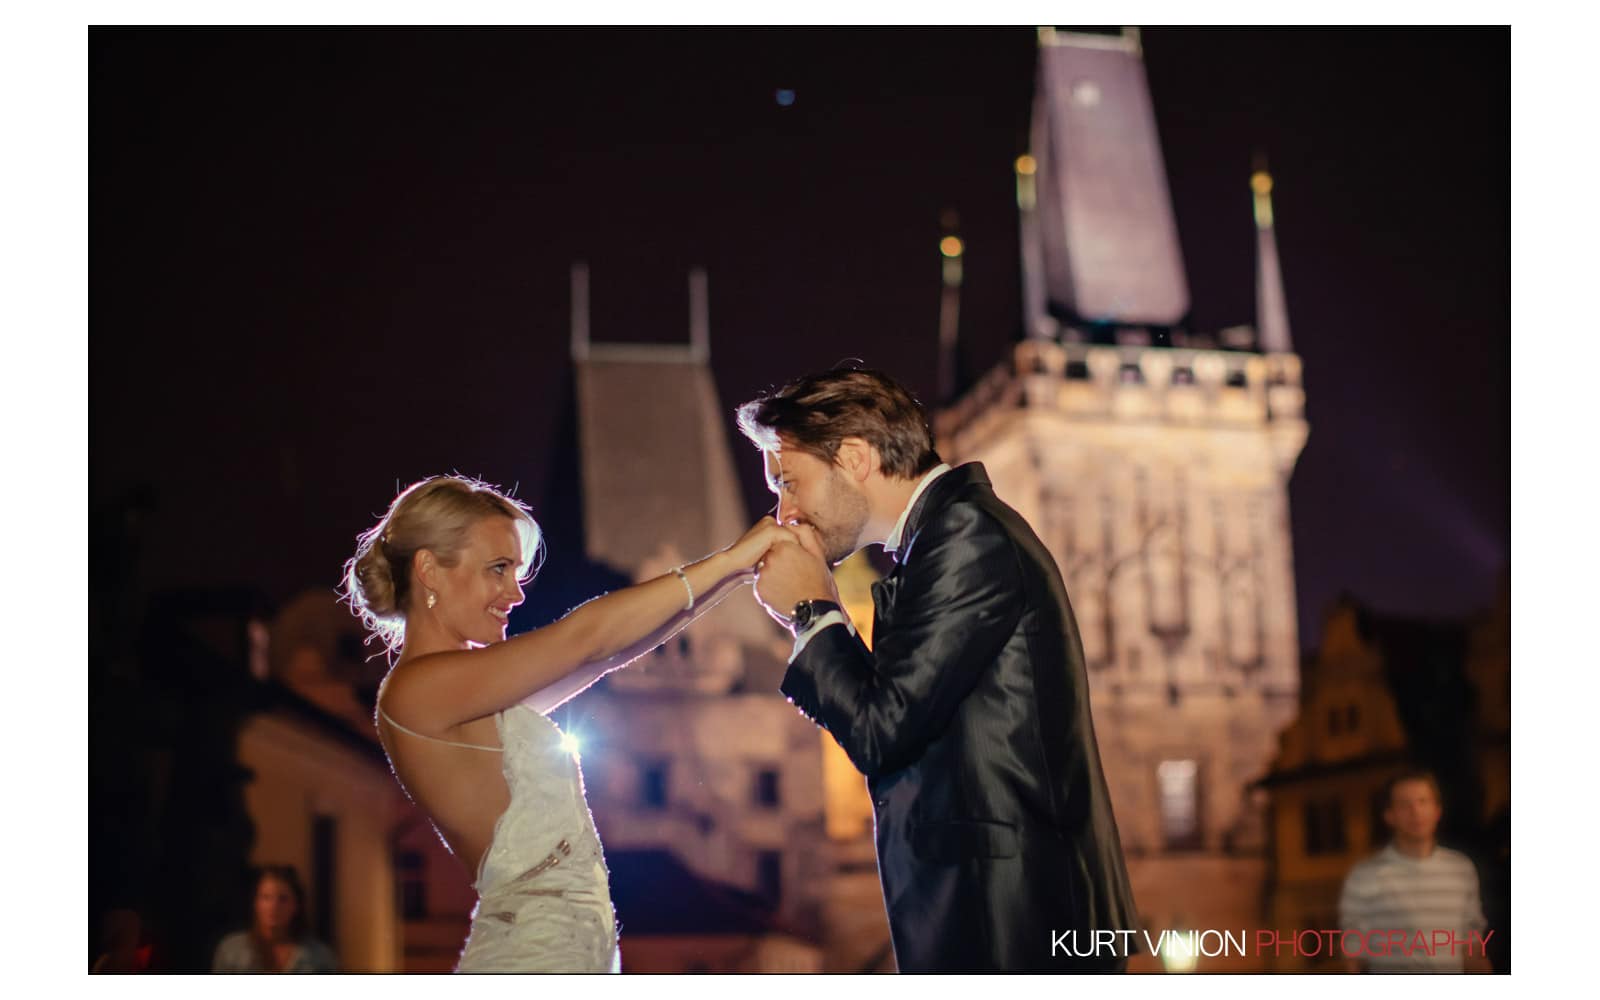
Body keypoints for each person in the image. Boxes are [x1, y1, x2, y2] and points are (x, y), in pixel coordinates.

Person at [737, 367, 1138, 972]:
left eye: (790, 483)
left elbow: (881, 728)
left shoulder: (964, 533)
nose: (784, 511)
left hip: (1014, 921)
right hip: (1001, 913)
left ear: (855, 457)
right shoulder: (939, 540)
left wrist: (812, 611)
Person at [342, 475, 788, 973]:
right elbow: (587, 638)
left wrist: (736, 575)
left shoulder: (470, 689)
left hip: (570, 948)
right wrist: (730, 558)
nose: (514, 593)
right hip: (534, 953)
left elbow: (608, 654)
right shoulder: (416, 691)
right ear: (429, 569)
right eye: (498, 569)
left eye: (516, 572)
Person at [1338, 770, 1493, 973]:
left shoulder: (1461, 869)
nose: (1416, 812)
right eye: (1404, 805)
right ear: (1389, 816)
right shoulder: (1363, 877)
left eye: (1423, 802)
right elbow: (1353, 958)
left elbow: (1471, 948)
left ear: (1437, 810)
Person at [212, 865, 337, 973]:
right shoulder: (232, 951)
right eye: (266, 897)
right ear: (256, 903)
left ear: (295, 905)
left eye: (283, 899)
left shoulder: (318, 957)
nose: (273, 906)